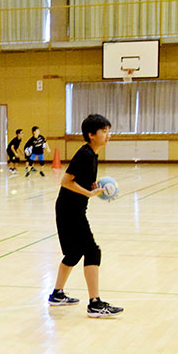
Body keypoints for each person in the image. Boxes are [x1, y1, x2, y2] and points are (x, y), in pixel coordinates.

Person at [48, 114, 123, 318]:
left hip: (71, 209)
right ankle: (95, 304)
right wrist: (88, 193)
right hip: (70, 210)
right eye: (104, 131)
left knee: (73, 253)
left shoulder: (92, 154)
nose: (108, 135)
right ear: (91, 134)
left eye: (108, 131)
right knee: (92, 251)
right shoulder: (85, 154)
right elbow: (65, 181)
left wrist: (93, 188)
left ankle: (57, 294)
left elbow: (78, 181)